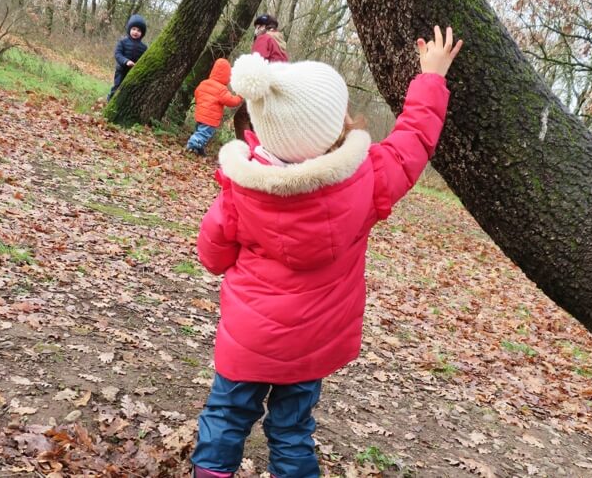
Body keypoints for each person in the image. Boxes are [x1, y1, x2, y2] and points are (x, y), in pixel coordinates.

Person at [191, 26, 463, 478]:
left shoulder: (242, 189)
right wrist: (431, 78)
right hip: (312, 343)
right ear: (336, 124)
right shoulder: (368, 177)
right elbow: (414, 140)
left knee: (225, 417)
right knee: (292, 429)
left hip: (249, 338)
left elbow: (212, 255)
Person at [233, 13, 288, 139]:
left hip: (264, 87)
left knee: (241, 118)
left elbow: (256, 64)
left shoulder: (264, 39)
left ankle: (249, 155)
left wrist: (246, 88)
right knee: (255, 123)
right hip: (276, 91)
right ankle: (259, 154)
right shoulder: (280, 45)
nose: (256, 30)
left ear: (264, 27)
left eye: (257, 26)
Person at [186, 58, 243, 156]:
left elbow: (197, 93)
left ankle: (199, 149)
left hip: (200, 115)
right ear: (227, 76)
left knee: (201, 132)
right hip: (210, 118)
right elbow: (231, 101)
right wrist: (240, 96)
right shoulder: (221, 90)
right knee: (203, 134)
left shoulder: (204, 83)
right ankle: (192, 145)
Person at [107, 14, 148, 101]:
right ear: (129, 29)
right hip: (121, 70)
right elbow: (118, 54)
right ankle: (110, 101)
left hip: (134, 72)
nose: (135, 32)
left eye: (139, 30)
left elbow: (144, 60)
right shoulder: (123, 42)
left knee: (128, 90)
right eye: (133, 29)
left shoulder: (144, 47)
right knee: (117, 88)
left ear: (142, 33)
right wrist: (126, 61)